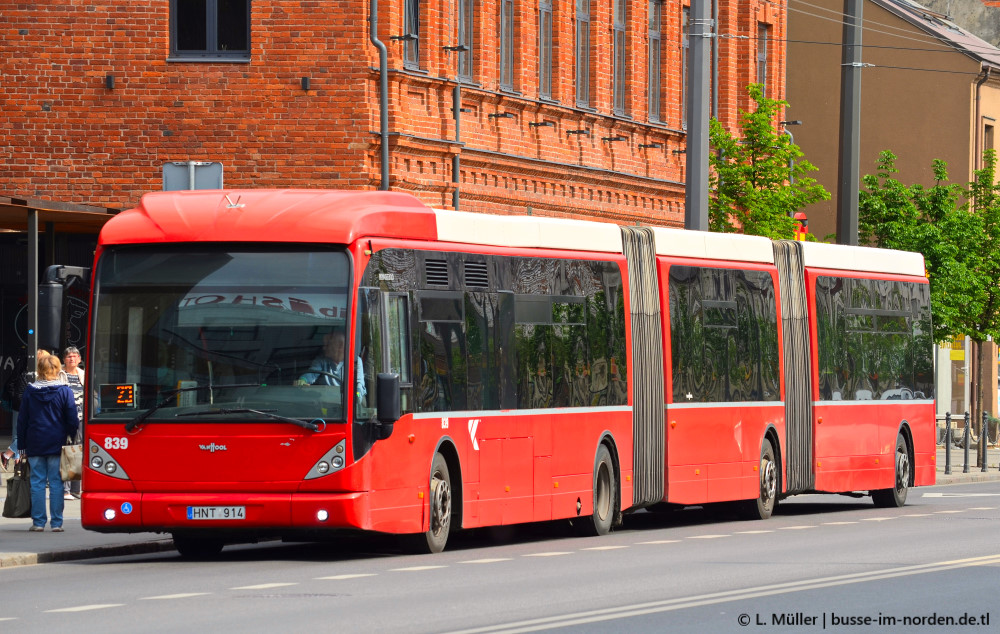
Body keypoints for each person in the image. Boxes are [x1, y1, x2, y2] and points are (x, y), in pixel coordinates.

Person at [18, 353, 79, 532]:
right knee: (56, 482)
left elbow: (22, 420)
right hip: (57, 442)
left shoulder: (30, 390)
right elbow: (72, 419)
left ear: (40, 370)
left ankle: (38, 523)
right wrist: (71, 435)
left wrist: (22, 445)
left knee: (37, 483)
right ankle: (57, 523)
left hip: (35, 441)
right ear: (57, 369)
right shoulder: (64, 390)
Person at [2, 349, 49, 470]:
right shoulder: (25, 372)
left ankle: (9, 456)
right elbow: (11, 385)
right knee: (20, 434)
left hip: (31, 407)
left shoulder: (43, 373)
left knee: (26, 434)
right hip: (22, 406)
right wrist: (18, 400)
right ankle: (15, 461)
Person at [295, 329, 366, 401]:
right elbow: (312, 373)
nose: (324, 348)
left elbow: (359, 385)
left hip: (347, 402)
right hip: (327, 402)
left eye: (328, 345)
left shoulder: (355, 361)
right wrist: (303, 380)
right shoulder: (321, 360)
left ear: (340, 346)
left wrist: (357, 396)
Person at [60, 346, 85, 499]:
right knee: (67, 451)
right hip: (64, 418)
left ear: (79, 359)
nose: (72, 359)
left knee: (78, 451)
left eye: (75, 356)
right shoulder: (59, 374)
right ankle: (66, 490)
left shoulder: (84, 374)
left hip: (81, 417)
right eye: (69, 356)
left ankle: (76, 489)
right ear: (64, 359)